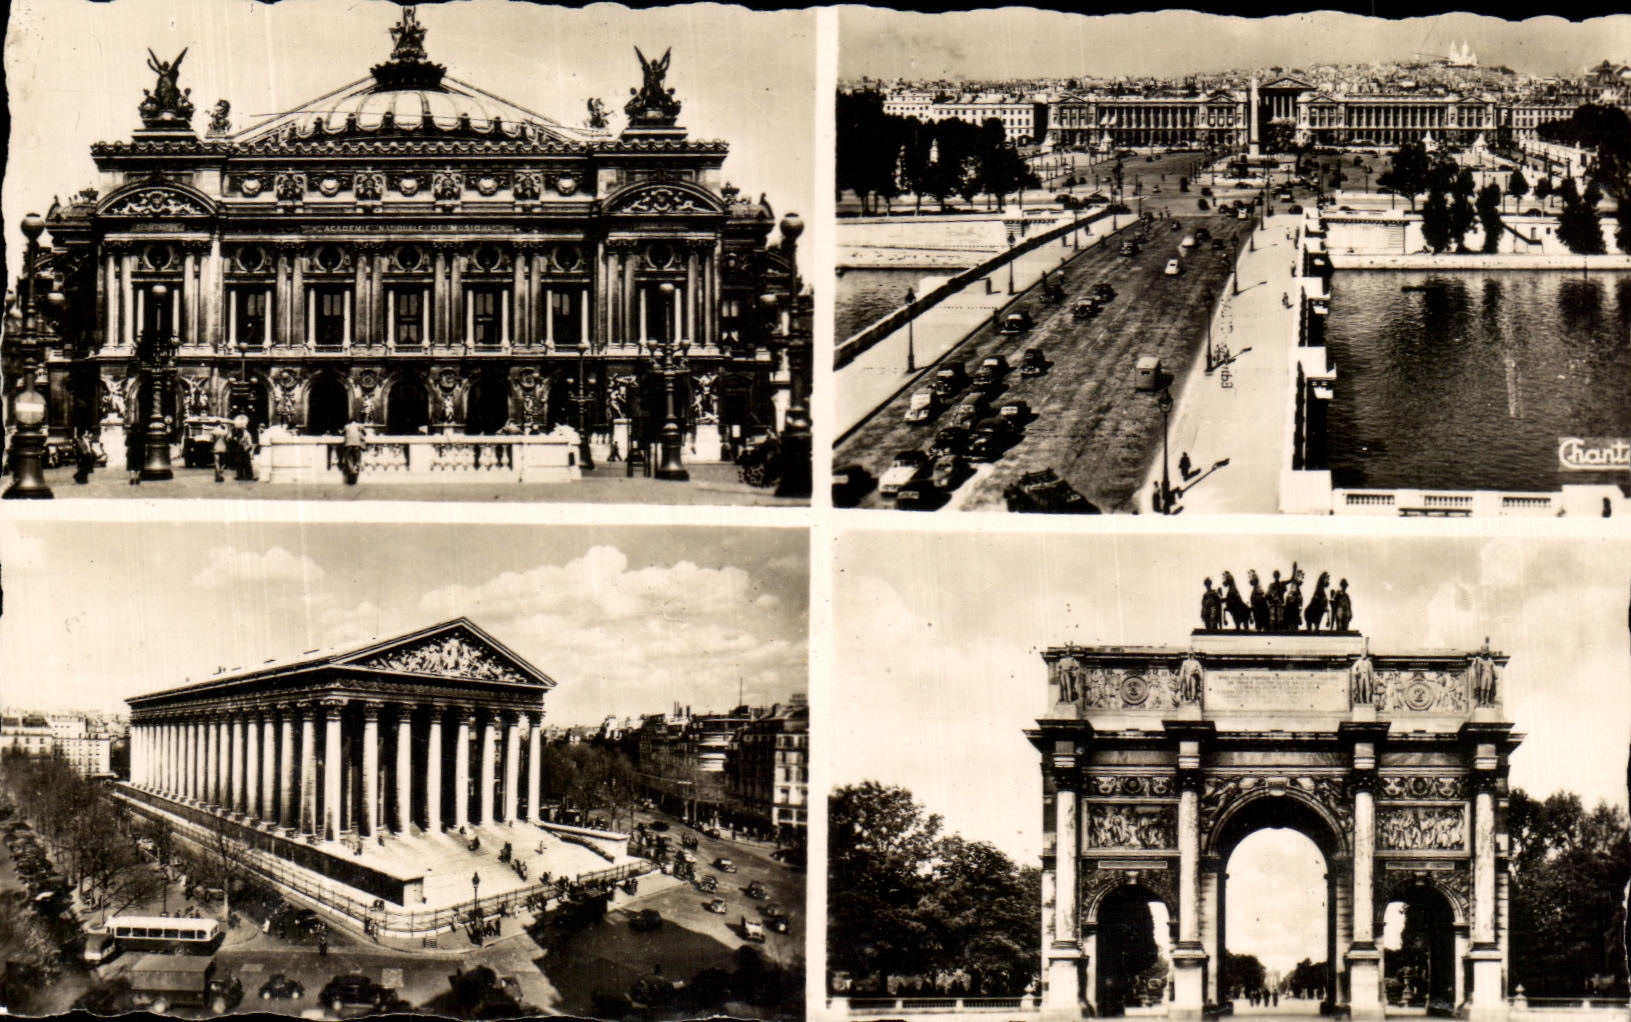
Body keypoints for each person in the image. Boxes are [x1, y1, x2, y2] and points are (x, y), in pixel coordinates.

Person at [341, 416, 366, 485]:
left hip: (348, 444)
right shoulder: (360, 425)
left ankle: (352, 469)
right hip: (357, 444)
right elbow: (365, 433)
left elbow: (342, 433)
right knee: (358, 457)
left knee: (349, 458)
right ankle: (356, 466)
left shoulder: (347, 426)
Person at [125, 420, 144, 485]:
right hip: (140, 451)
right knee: (138, 465)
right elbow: (144, 443)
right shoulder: (141, 434)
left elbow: (126, 444)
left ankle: (132, 478)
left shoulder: (130, 434)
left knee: (131, 465)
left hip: (132, 451)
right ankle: (138, 477)